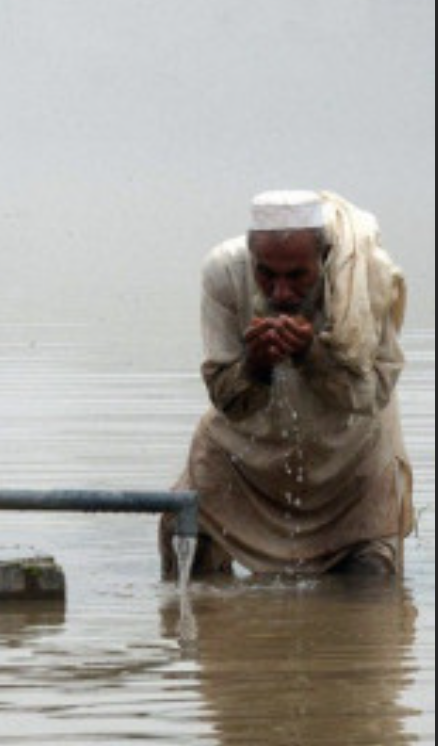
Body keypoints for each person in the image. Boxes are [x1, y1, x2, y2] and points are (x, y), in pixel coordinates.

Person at [160, 190, 414, 578]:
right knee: (184, 534)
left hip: (350, 461)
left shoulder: (365, 278)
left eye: (297, 276)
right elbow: (226, 397)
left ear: (324, 259)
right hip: (242, 454)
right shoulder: (225, 272)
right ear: (252, 261)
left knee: (369, 583)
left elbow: (372, 395)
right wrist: (255, 366)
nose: (280, 293)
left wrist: (311, 354)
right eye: (266, 274)